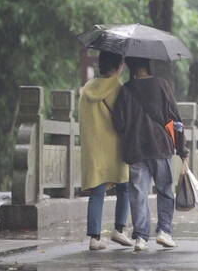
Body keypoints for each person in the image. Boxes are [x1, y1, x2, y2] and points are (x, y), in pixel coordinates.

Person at [113, 56, 189, 251]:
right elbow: (175, 119)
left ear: (130, 66)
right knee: (165, 190)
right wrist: (182, 149)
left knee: (138, 193)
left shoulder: (126, 89)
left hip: (135, 148)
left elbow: (118, 123)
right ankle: (164, 231)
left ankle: (141, 237)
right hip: (159, 146)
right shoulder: (162, 85)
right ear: (148, 65)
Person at [79, 51, 134, 251]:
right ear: (119, 66)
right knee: (124, 187)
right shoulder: (118, 88)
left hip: (93, 148)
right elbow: (124, 119)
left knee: (97, 191)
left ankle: (94, 238)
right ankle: (119, 230)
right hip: (115, 147)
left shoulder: (87, 89)